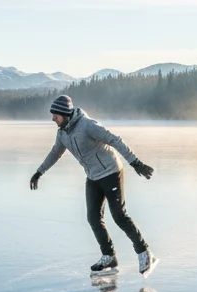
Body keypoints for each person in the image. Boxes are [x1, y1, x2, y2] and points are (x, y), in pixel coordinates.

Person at [30, 94, 156, 275]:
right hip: (93, 177)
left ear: (64, 114)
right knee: (93, 218)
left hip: (111, 172)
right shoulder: (62, 133)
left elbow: (114, 139)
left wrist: (135, 162)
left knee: (119, 215)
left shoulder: (87, 125)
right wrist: (39, 172)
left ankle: (144, 252)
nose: (53, 119)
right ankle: (109, 256)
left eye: (55, 115)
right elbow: (55, 153)